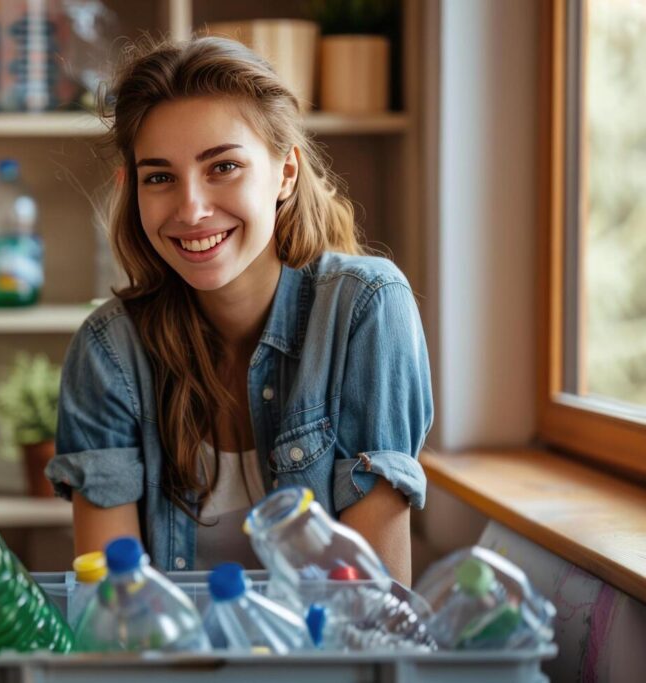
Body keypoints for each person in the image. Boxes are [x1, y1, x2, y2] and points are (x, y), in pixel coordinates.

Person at [46, 36, 432, 584]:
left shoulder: (365, 310)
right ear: (132, 190)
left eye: (222, 167)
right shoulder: (108, 353)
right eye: (160, 177)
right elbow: (117, 612)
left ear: (286, 173)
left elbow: (372, 607)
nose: (192, 208)